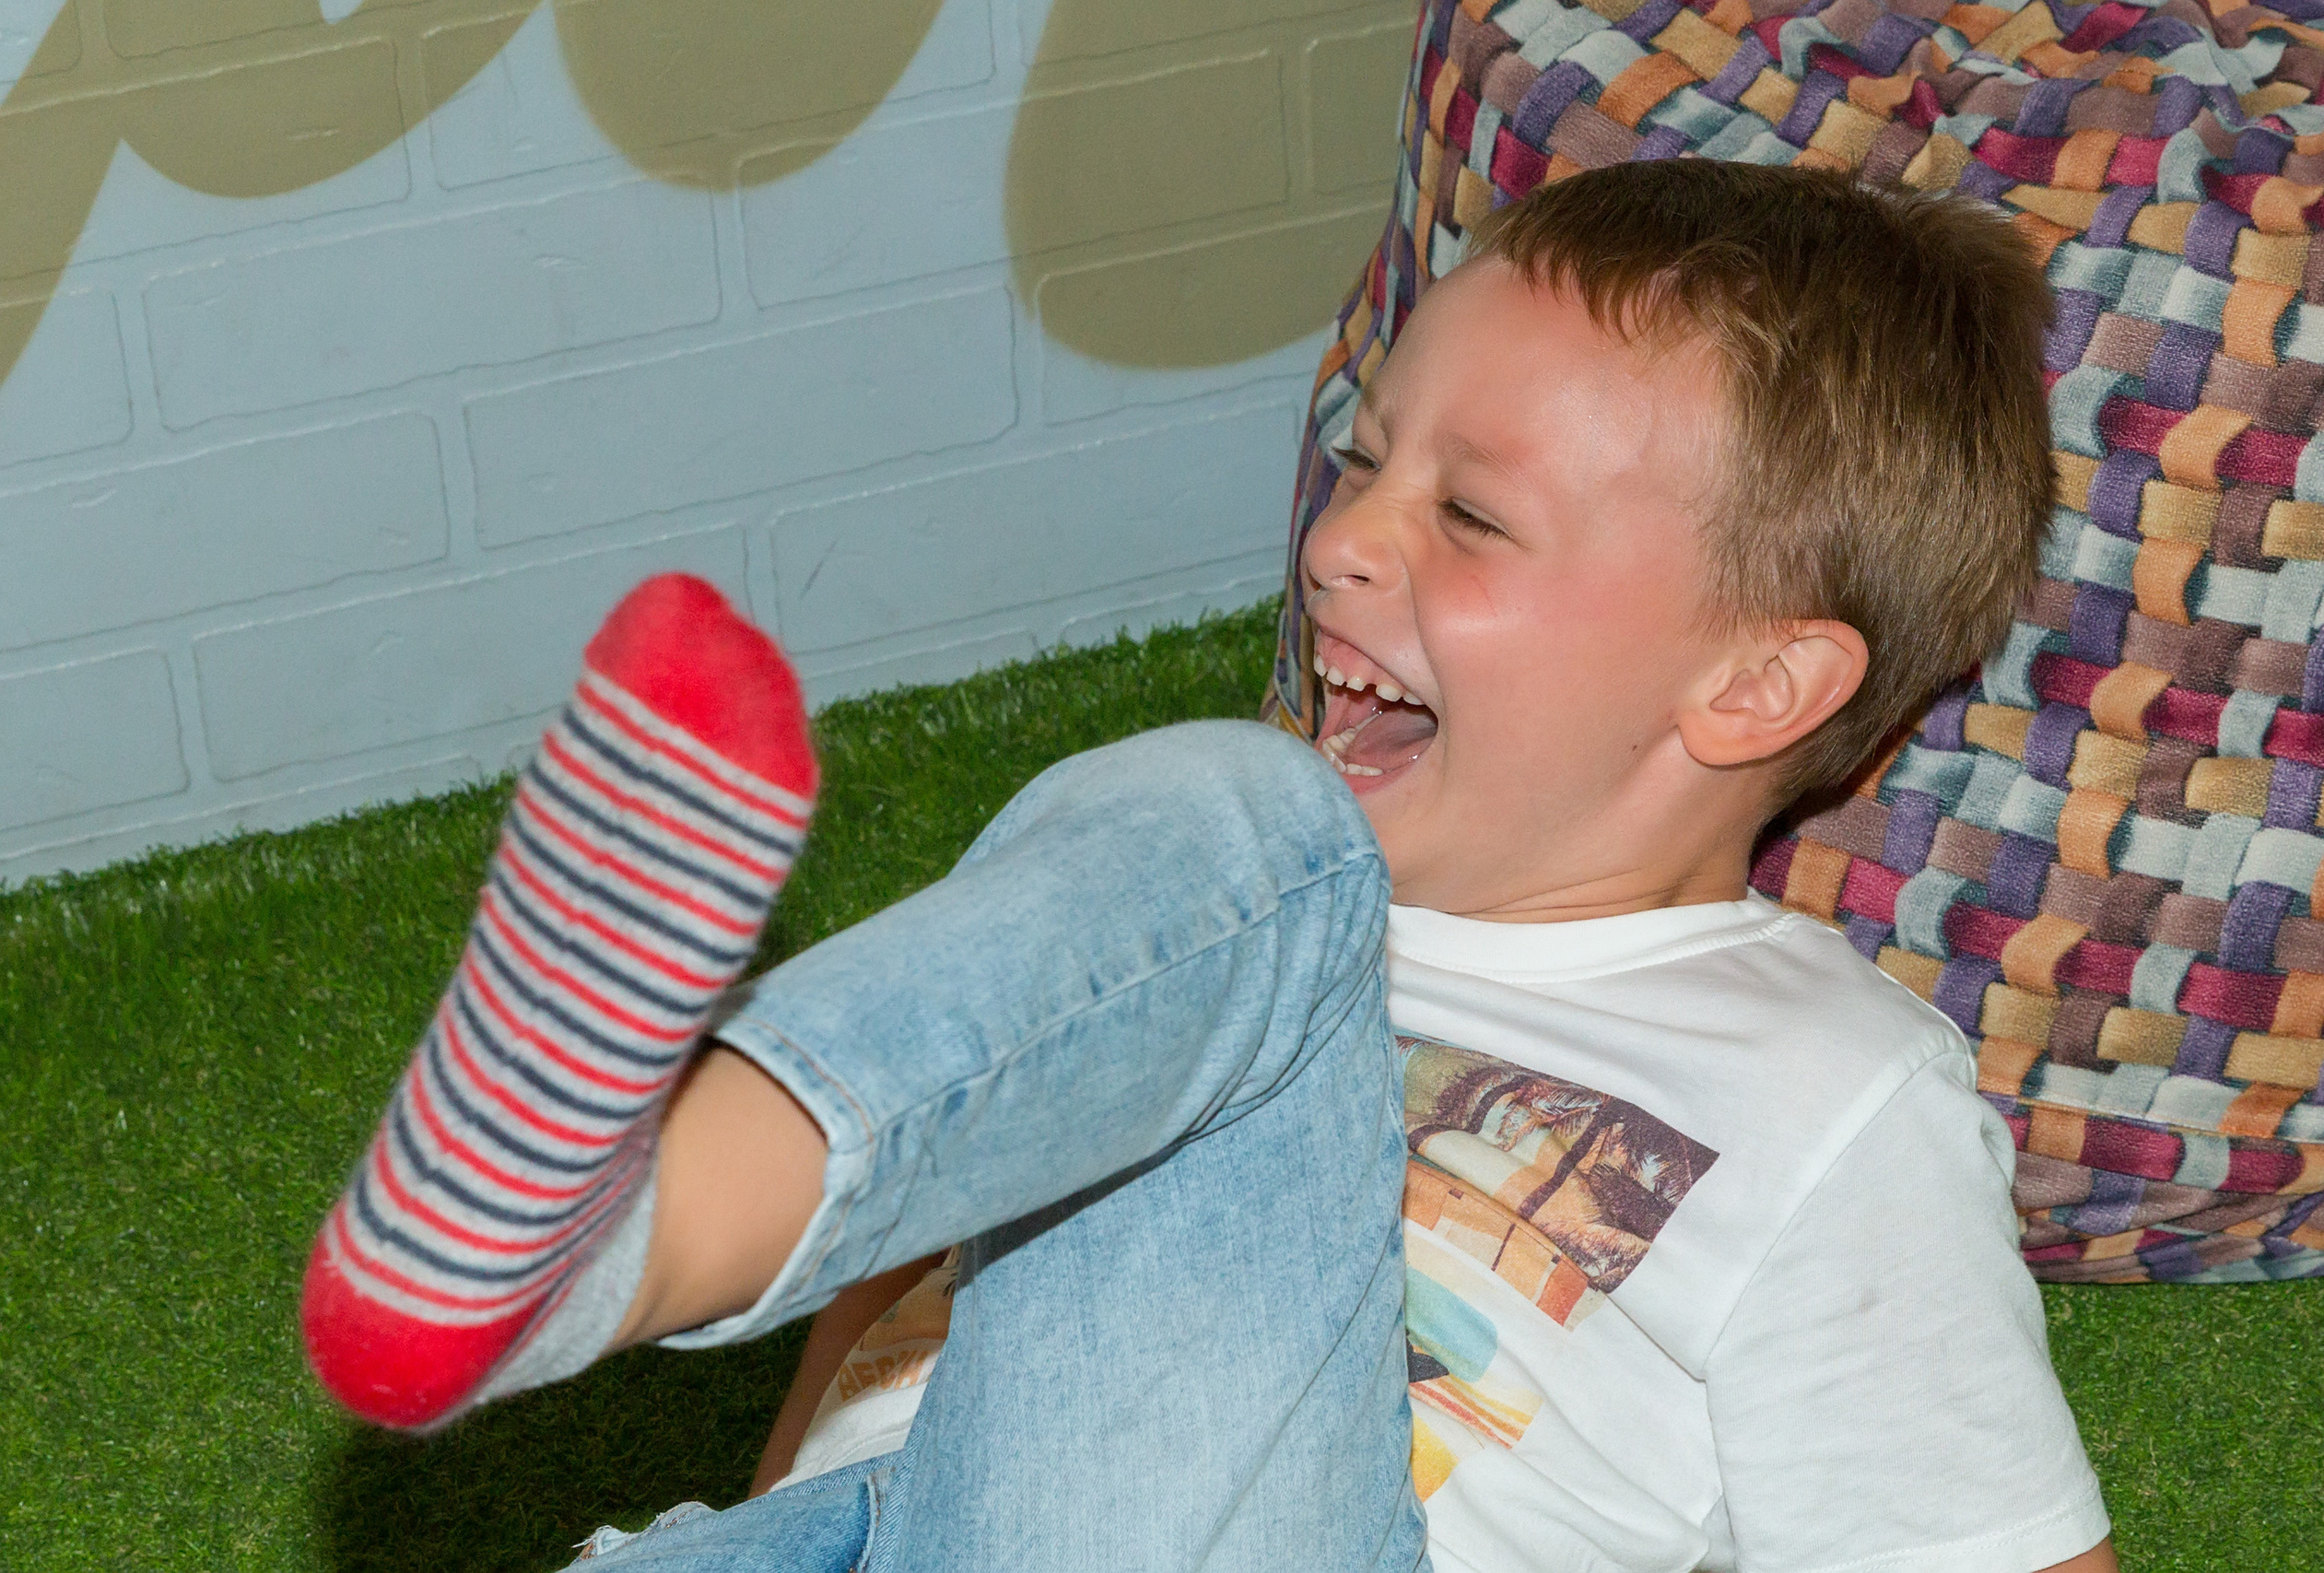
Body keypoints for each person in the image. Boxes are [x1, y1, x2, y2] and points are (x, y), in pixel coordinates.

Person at [297, 162, 2119, 1573]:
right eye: (1363, 455)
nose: (1339, 540)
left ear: (1750, 683)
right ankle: (577, 1216)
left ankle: (587, 1247)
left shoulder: (1825, 1087)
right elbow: (892, 1311)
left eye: (1465, 514)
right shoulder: (1160, 953)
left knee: (1253, 834)